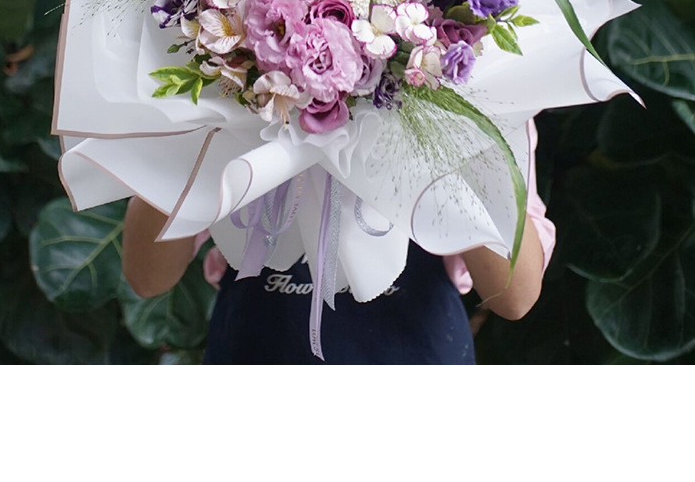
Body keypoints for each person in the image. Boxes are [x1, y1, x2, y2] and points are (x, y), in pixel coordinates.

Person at [122, 121, 555, 365]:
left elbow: (515, 297)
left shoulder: (476, 94)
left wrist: (454, 128)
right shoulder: (228, 95)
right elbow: (147, 277)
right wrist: (191, 125)